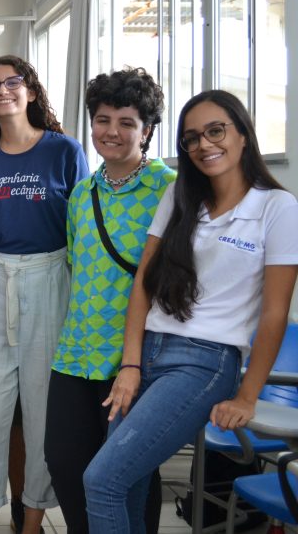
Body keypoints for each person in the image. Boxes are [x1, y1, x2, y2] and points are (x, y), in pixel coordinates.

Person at [84, 89, 298, 532]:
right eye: (192, 138)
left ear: (243, 134)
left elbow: (275, 313)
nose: (204, 144)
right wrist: (130, 364)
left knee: (101, 480)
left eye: (216, 131)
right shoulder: (181, 197)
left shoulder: (277, 208)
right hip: (149, 352)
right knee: (129, 484)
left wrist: (247, 395)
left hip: (204, 363)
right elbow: (144, 285)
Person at [0, 55, 88, 534]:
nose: (2, 90)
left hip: (51, 279)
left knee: (41, 417)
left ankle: (30, 524)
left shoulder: (65, 151)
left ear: (31, 91)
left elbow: (82, 238)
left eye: (12, 82)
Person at [44, 68, 174, 534]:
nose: (112, 132)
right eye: (102, 120)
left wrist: (136, 360)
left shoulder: (168, 188)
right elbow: (77, 267)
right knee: (64, 463)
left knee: (128, 474)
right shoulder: (82, 194)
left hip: (134, 359)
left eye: (126, 122)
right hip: (75, 353)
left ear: (147, 130)